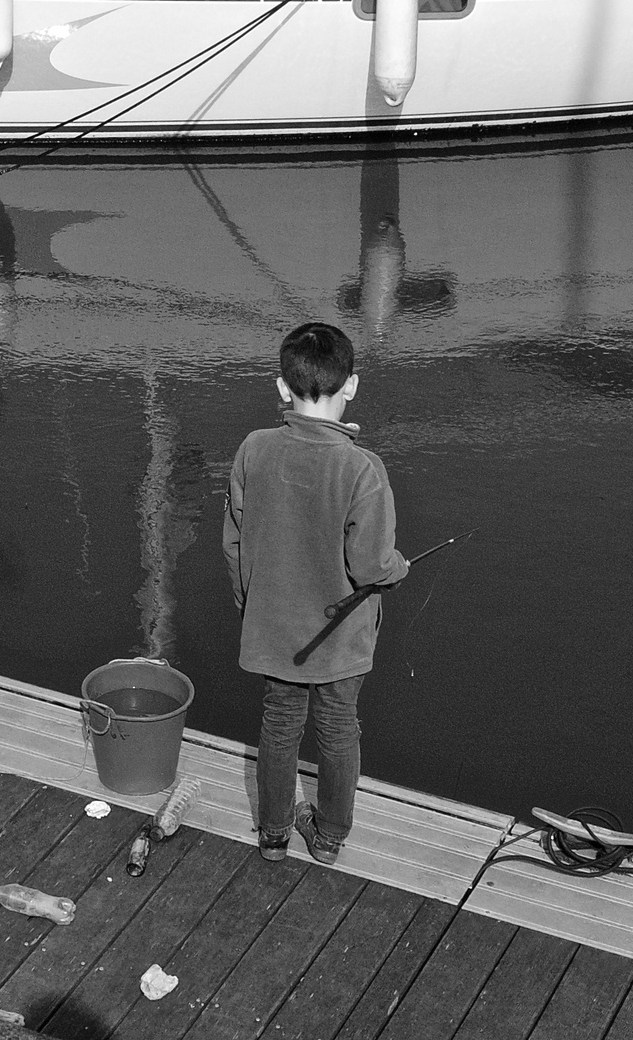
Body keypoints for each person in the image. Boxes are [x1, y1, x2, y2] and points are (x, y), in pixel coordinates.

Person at [222, 321, 408, 865]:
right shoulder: (362, 468)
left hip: (273, 626)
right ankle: (328, 838)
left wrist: (249, 604)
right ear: (351, 384)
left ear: (282, 388)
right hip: (339, 640)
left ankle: (274, 835)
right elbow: (372, 564)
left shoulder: (253, 450)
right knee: (338, 729)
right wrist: (397, 570)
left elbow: (233, 542)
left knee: (279, 723)